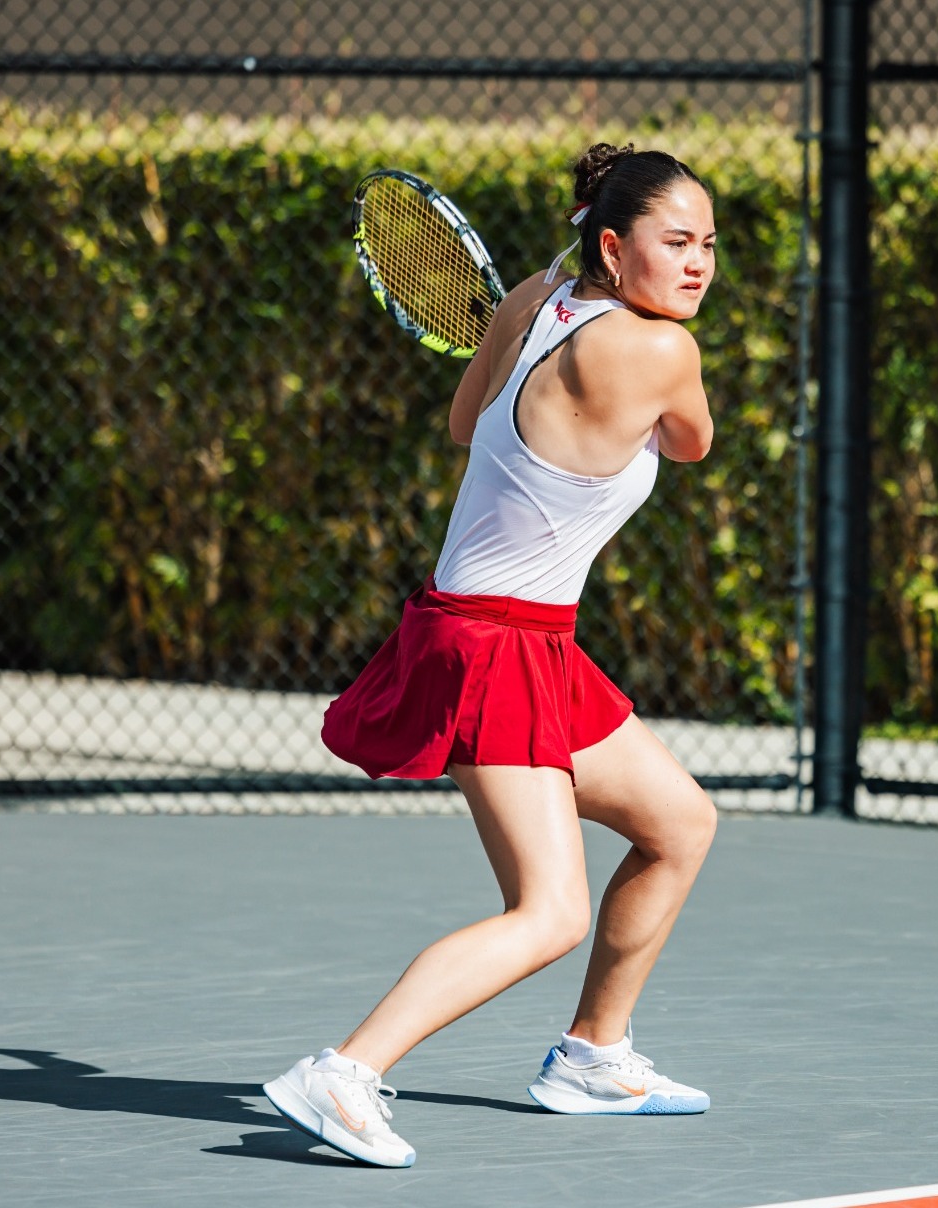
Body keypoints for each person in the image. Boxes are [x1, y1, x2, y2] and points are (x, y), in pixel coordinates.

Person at [263, 143, 721, 1168]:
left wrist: (519, 345)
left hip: (517, 633)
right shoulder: (659, 353)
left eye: (707, 245)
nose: (697, 264)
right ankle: (341, 1071)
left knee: (677, 820)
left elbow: (466, 420)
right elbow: (691, 443)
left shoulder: (532, 297)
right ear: (614, 244)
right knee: (547, 909)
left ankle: (593, 1054)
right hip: (491, 644)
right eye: (675, 242)